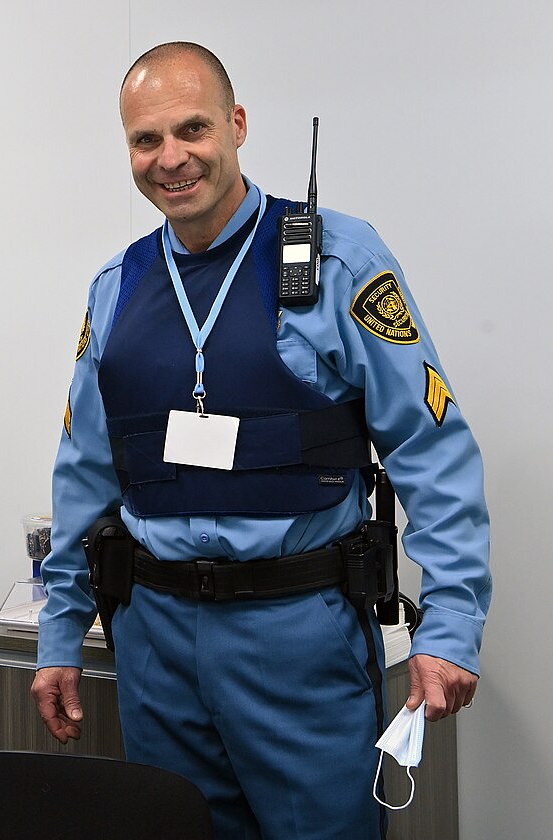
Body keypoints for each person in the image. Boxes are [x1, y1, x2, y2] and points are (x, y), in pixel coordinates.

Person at [31, 41, 491, 840]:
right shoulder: (117, 290)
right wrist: (58, 633)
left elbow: (433, 450)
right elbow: (83, 476)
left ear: (237, 124)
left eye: (193, 129)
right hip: (155, 642)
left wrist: (448, 628)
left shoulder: (340, 261)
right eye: (146, 140)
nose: (170, 158)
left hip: (296, 636)